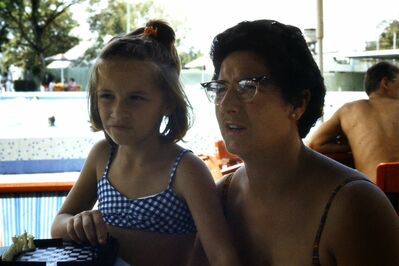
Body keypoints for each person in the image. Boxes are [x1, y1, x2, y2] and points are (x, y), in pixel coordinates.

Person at [190, 20, 399, 265]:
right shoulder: (220, 198)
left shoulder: (354, 207)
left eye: (247, 86)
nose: (226, 105)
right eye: (220, 87)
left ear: (298, 102)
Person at [51, 20, 239, 266]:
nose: (118, 111)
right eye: (107, 96)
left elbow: (222, 257)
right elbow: (58, 224)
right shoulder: (102, 156)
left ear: (168, 103)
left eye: (136, 98)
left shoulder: (185, 170)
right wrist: (76, 223)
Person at [308, 61, 399, 182]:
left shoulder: (349, 110)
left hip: (375, 194)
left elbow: (315, 143)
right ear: (385, 83)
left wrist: (356, 143)